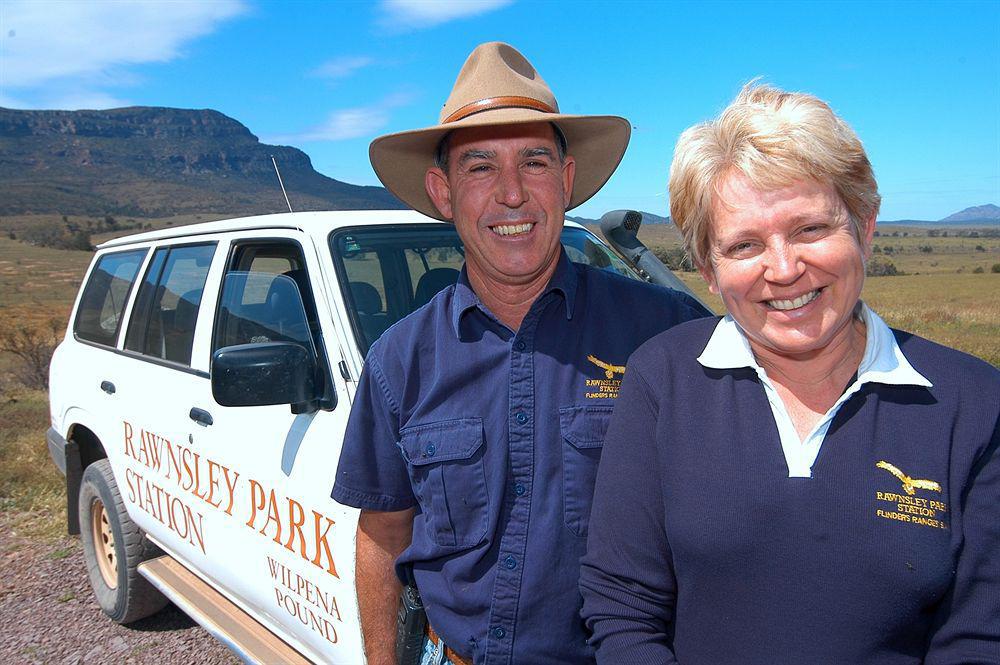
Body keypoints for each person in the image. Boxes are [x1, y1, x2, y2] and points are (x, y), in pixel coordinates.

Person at [579, 83, 1000, 664]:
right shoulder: (663, 379)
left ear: (864, 225)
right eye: (744, 245)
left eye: (809, 229)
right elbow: (622, 605)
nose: (783, 269)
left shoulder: (974, 404)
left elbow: (980, 638)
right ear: (707, 267)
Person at [332, 42, 709, 665]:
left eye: (534, 162)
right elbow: (382, 535)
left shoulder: (665, 333)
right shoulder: (398, 361)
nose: (511, 194)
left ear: (565, 183)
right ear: (443, 191)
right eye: (479, 166)